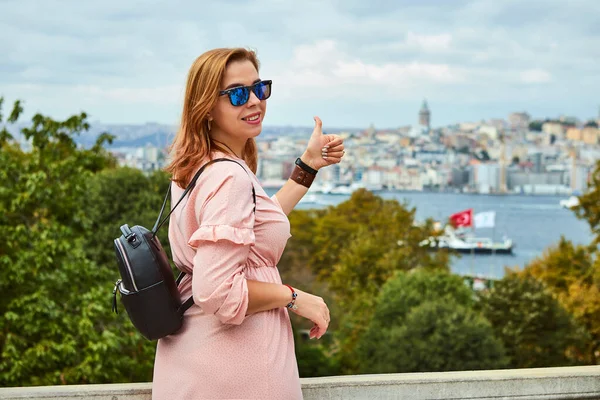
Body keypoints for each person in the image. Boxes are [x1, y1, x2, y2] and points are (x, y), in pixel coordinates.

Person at [152, 48, 345, 399]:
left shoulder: (198, 165)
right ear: (207, 107)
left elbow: (252, 232)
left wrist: (307, 167)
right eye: (238, 94)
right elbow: (216, 291)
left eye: (260, 88)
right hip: (236, 365)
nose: (255, 101)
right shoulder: (229, 178)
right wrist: (294, 298)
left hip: (193, 358)